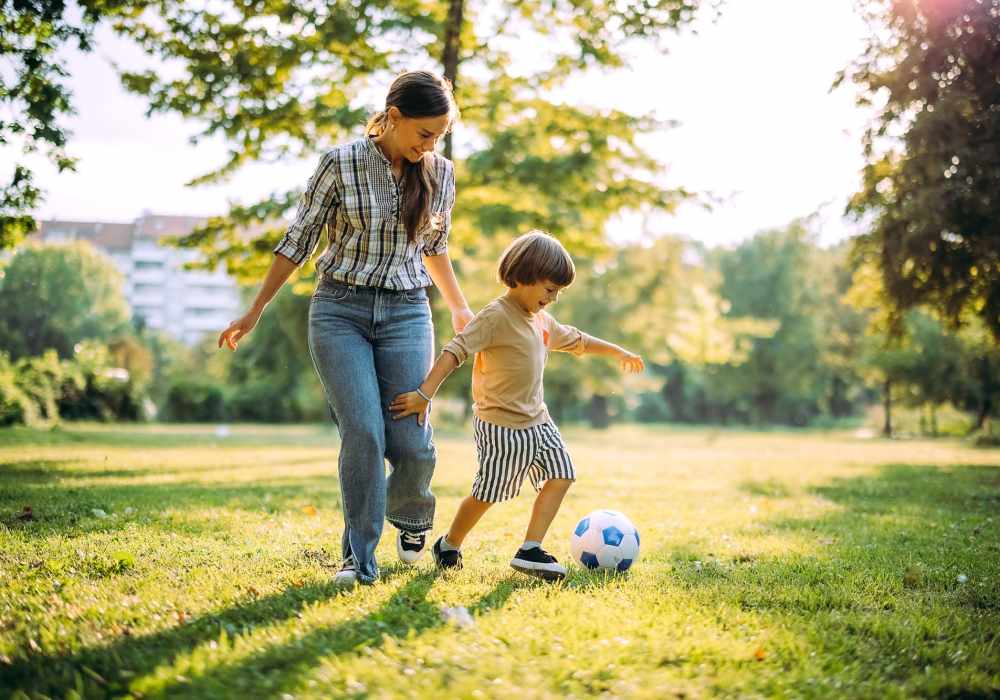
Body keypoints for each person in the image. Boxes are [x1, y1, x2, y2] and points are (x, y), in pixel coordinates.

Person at [218, 71, 474, 587]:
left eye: (440, 136)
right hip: (340, 311)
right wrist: (256, 309)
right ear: (393, 118)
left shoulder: (439, 172)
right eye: (424, 134)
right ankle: (359, 558)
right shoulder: (340, 164)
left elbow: (434, 247)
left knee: (411, 441)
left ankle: (411, 514)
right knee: (362, 432)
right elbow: (298, 242)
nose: (431, 145)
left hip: (406, 311)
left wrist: (460, 309)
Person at [389, 230, 645, 581]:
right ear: (524, 275)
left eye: (558, 292)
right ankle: (448, 544)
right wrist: (425, 393)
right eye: (549, 289)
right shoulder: (495, 316)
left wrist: (617, 351)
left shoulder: (541, 321)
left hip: (539, 420)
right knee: (487, 493)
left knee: (562, 474)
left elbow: (577, 340)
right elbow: (455, 351)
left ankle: (530, 549)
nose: (553, 299)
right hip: (500, 425)